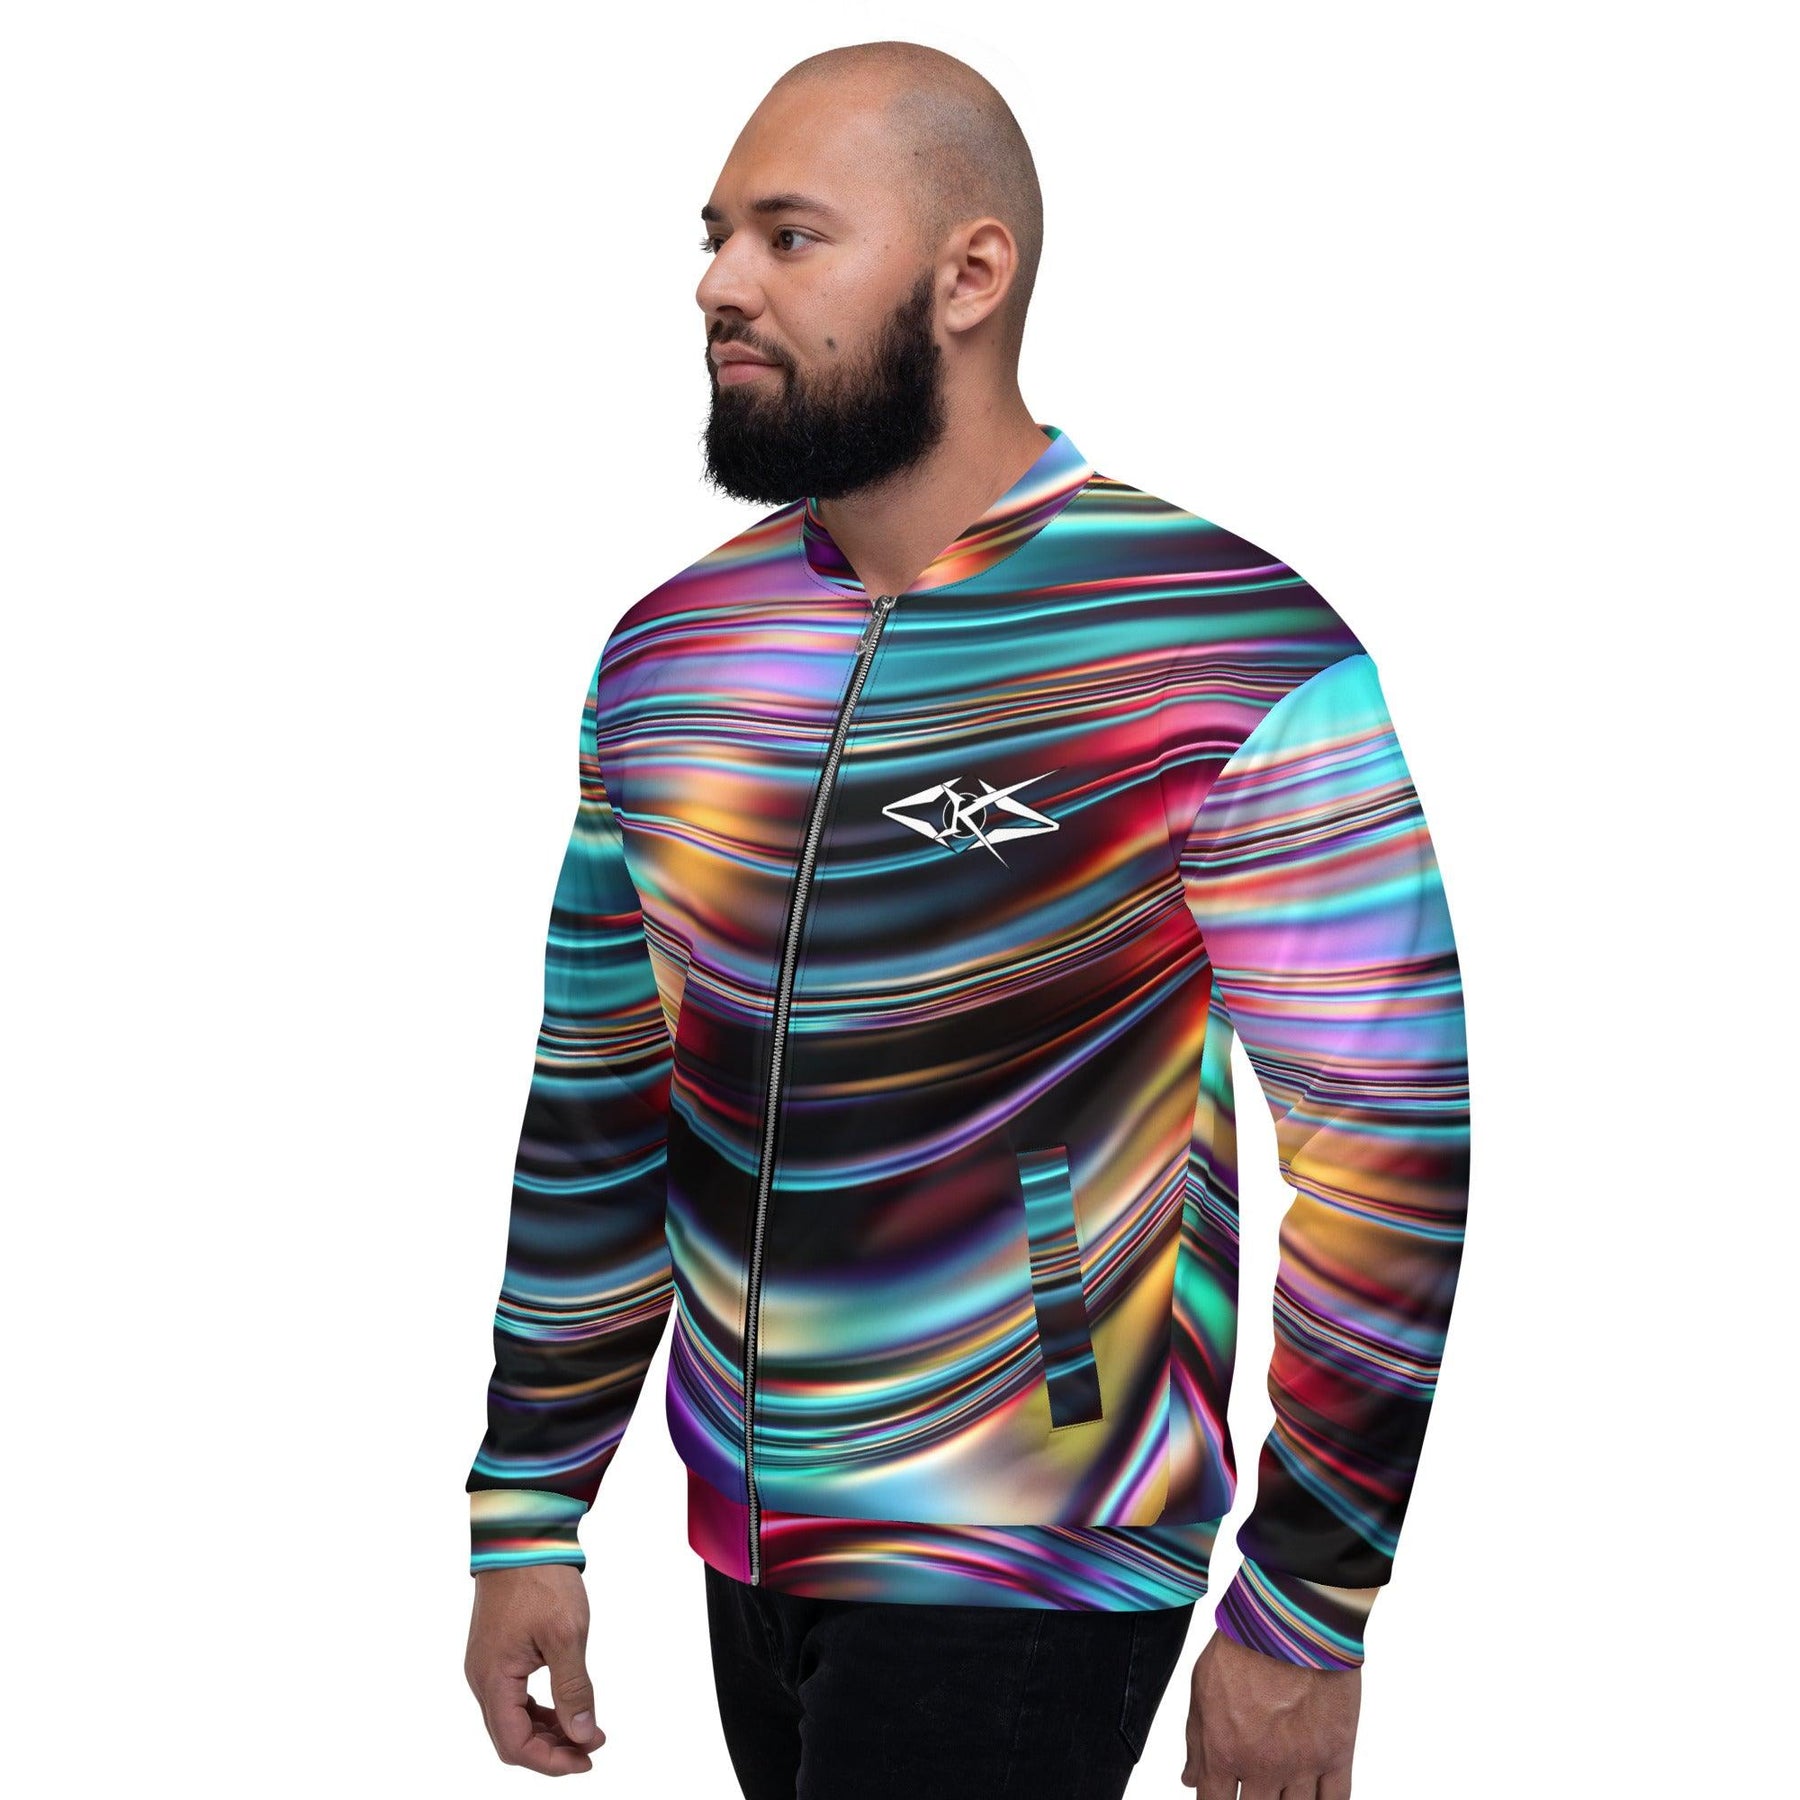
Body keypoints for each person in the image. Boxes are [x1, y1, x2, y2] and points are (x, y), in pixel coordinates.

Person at [462, 39, 1470, 1800]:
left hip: (1035, 1552)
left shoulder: (1219, 648)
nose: (719, 285)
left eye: (789, 238)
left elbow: (1390, 1146)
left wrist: (1310, 1598)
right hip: (746, 1549)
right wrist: (529, 1502)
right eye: (715, 237)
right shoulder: (673, 656)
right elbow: (604, 1099)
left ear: (970, 275)